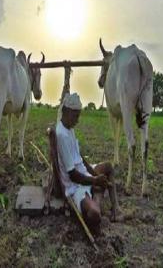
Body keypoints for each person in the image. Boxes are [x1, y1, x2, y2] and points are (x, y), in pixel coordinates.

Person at [56, 93, 124, 231]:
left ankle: (116, 209)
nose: (77, 120)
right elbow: (73, 175)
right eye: (75, 116)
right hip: (74, 186)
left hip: (84, 174)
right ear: (66, 112)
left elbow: (79, 157)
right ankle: (97, 195)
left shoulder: (69, 128)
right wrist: (94, 181)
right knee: (94, 214)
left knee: (108, 167)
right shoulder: (61, 134)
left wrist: (93, 174)